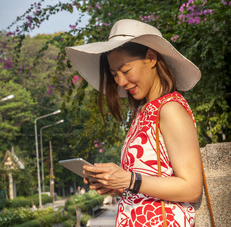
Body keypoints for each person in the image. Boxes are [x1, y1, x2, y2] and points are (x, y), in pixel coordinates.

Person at [65, 19, 203, 226]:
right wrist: (117, 185)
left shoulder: (170, 109)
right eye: (114, 75)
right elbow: (152, 184)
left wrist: (129, 180)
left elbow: (191, 188)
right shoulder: (145, 111)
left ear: (151, 58)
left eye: (126, 70)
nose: (119, 82)